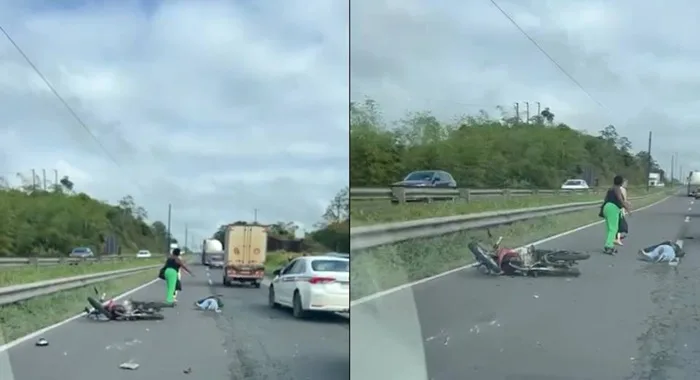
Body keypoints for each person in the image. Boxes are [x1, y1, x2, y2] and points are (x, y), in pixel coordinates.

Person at [600, 175, 631, 255]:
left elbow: (605, 199)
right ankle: (609, 246)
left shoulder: (610, 188)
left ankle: (609, 243)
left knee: (609, 228)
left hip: (606, 207)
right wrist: (627, 208)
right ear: (620, 182)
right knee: (614, 228)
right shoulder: (617, 188)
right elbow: (620, 199)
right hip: (613, 208)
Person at [615, 179, 629, 245]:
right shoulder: (622, 189)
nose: (626, 184)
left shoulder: (617, 188)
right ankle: (617, 239)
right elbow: (623, 200)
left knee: (617, 223)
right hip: (620, 208)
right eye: (626, 183)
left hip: (617, 207)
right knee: (620, 223)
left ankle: (616, 237)